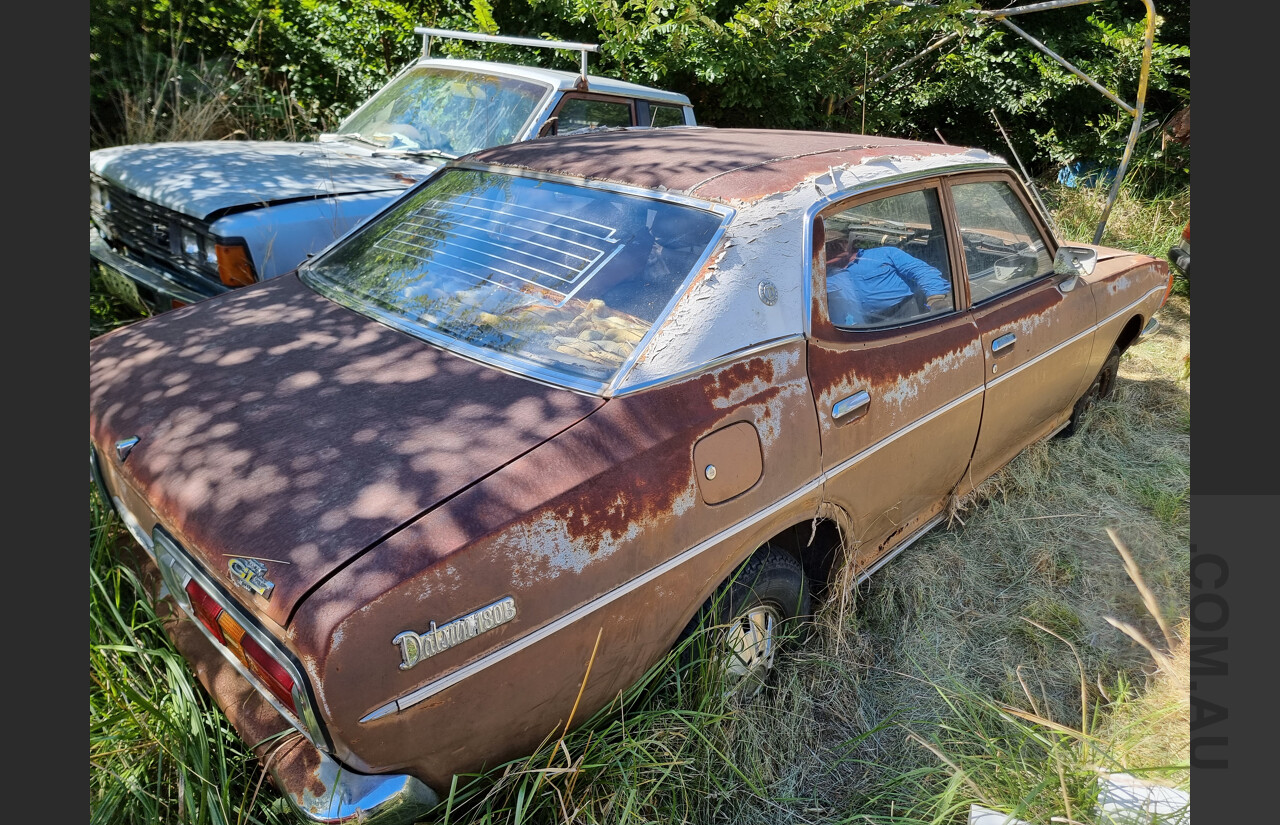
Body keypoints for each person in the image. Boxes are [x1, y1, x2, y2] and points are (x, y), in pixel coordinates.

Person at [826, 239, 952, 326]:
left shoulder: (885, 254)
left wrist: (936, 299)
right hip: (859, 326)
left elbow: (923, 271)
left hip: (905, 313)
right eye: (827, 244)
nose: (833, 247)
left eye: (837, 242)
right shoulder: (818, 275)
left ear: (847, 242)